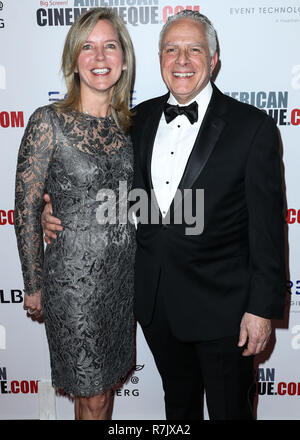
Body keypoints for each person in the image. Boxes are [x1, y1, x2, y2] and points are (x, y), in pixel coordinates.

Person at [42, 10, 286, 420]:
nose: (182, 61)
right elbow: (113, 194)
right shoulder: (135, 122)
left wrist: (261, 310)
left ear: (214, 60)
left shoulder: (253, 127)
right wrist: (58, 211)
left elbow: (268, 230)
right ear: (159, 59)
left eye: (194, 50)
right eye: (171, 50)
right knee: (179, 413)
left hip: (225, 312)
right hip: (158, 308)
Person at [14, 8, 136, 420]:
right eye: (88, 46)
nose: (99, 57)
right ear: (73, 59)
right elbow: (26, 206)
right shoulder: (48, 121)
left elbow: (131, 200)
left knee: (101, 395)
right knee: (95, 395)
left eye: (109, 46)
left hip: (121, 281)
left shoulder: (127, 127)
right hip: (74, 285)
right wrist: (33, 284)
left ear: (123, 58)